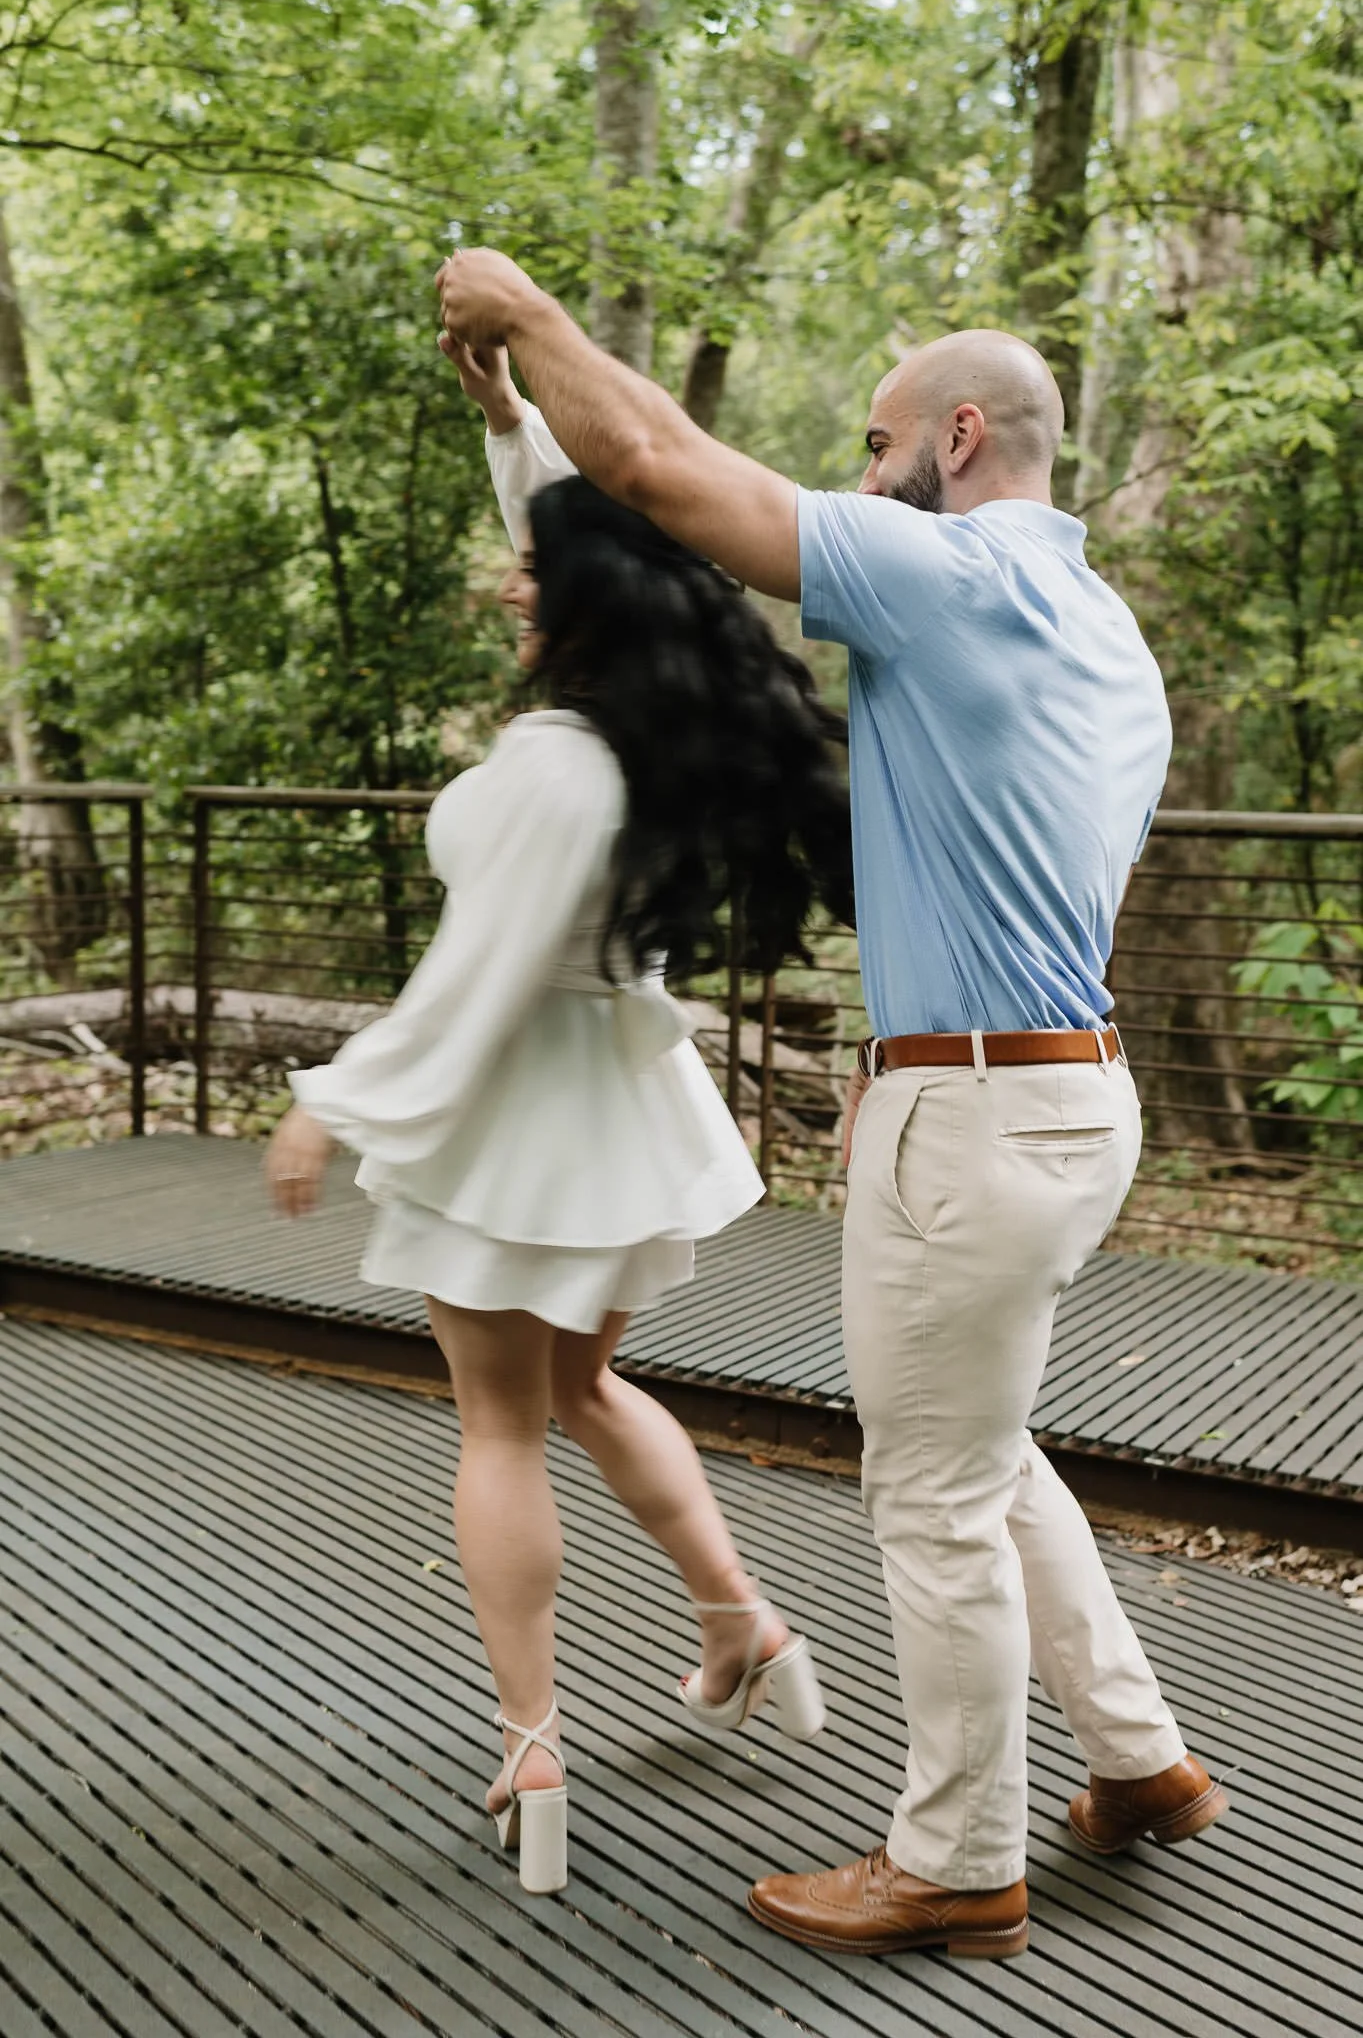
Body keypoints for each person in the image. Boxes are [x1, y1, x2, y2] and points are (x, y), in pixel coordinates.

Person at [433, 250, 1230, 1959]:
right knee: (983, 1452)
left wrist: (528, 317)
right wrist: (519, 433)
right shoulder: (1103, 632)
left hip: (974, 1113)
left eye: (875, 445)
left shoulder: (947, 576)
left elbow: (657, 474)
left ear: (959, 437)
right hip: (1072, 1097)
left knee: (929, 1490)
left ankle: (955, 1862)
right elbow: (630, 545)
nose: (858, 476)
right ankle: (1140, 1760)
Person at [265, 362, 852, 1895]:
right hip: (616, 1105)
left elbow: (474, 975)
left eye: (535, 571)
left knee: (503, 1423)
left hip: (521, 1111)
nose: (512, 582)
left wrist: (328, 1102)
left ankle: (532, 1744)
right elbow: (600, 537)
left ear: (589, 602)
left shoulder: (554, 766)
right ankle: (742, 1626)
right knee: (584, 1382)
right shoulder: (658, 738)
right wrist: (509, 425)